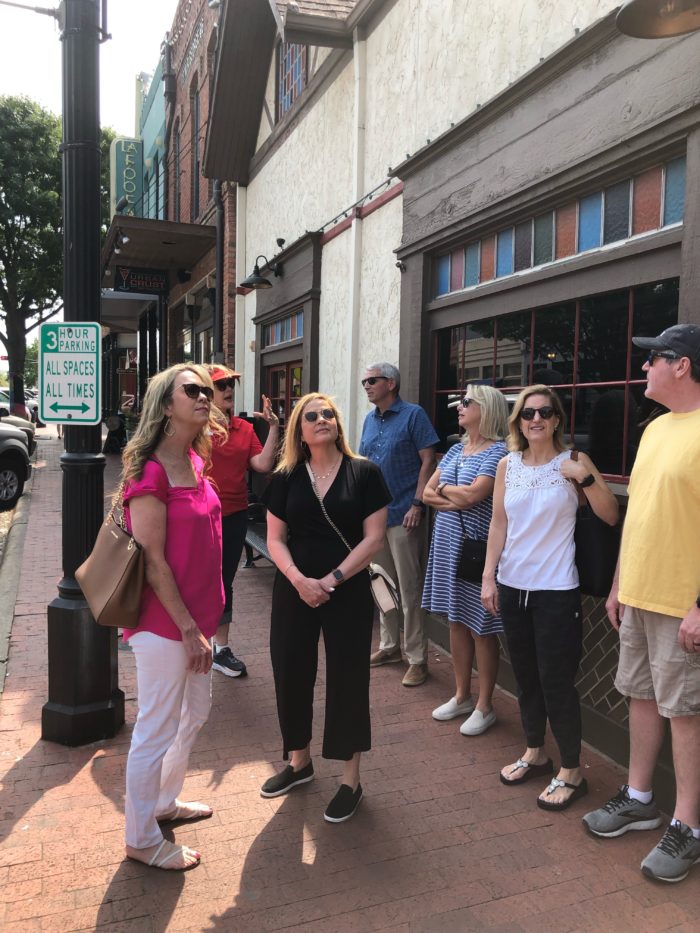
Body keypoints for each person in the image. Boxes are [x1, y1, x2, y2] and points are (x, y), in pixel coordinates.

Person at [583, 324, 700, 884]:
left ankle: (688, 827)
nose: (644, 368)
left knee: (685, 712)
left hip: (684, 603)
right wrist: (617, 585)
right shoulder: (654, 429)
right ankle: (639, 797)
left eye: (654, 359)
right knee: (641, 697)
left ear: (682, 366)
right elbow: (640, 515)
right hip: (639, 594)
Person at [481, 385, 618, 811]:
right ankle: (536, 752)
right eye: (527, 413)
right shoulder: (508, 465)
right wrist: (489, 576)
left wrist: (587, 480)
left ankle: (572, 771)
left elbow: (610, 515)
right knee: (525, 676)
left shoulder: (573, 462)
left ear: (557, 419)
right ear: (518, 421)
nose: (535, 419)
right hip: (513, 585)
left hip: (557, 590)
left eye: (544, 412)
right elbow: (499, 525)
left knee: (556, 680)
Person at [260, 393, 390, 822]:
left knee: (348, 679)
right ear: (299, 428)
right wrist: (299, 580)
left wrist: (331, 580)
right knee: (291, 670)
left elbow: (374, 538)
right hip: (294, 588)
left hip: (346, 589)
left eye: (328, 414)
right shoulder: (285, 477)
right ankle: (299, 762)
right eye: (311, 416)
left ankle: (351, 780)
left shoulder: (364, 473)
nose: (322, 420)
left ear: (338, 423)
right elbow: (275, 538)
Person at [121, 363, 226, 871]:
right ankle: (141, 838)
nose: (204, 396)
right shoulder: (150, 472)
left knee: (195, 715)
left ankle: (164, 802)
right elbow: (154, 559)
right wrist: (188, 629)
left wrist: (203, 623)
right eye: (192, 390)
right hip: (165, 623)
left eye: (207, 389)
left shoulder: (192, 460)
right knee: (156, 727)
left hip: (198, 617)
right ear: (166, 404)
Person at [422, 385, 508, 736]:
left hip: (476, 548)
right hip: (446, 545)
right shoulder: (457, 448)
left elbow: (475, 496)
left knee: (481, 628)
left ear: (486, 409)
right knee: (456, 620)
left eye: (467, 402)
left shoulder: (498, 451)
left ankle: (485, 705)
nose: (459, 406)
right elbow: (426, 493)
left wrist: (447, 492)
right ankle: (461, 695)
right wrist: (451, 495)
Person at [359, 362, 439, 687]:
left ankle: (417, 658)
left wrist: (418, 503)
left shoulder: (413, 415)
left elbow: (429, 460)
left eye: (372, 380)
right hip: (373, 519)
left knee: (409, 589)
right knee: (381, 585)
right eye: (364, 381)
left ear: (391, 383)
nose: (366, 385)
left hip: (404, 516)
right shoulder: (368, 420)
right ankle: (390, 646)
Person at [204, 364, 280, 678]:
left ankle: (220, 649)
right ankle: (191, 642)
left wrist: (274, 427)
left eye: (231, 385)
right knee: (191, 579)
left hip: (233, 515)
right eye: (221, 386)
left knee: (224, 582)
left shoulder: (243, 428)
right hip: (196, 518)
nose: (228, 390)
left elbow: (262, 465)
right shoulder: (191, 428)